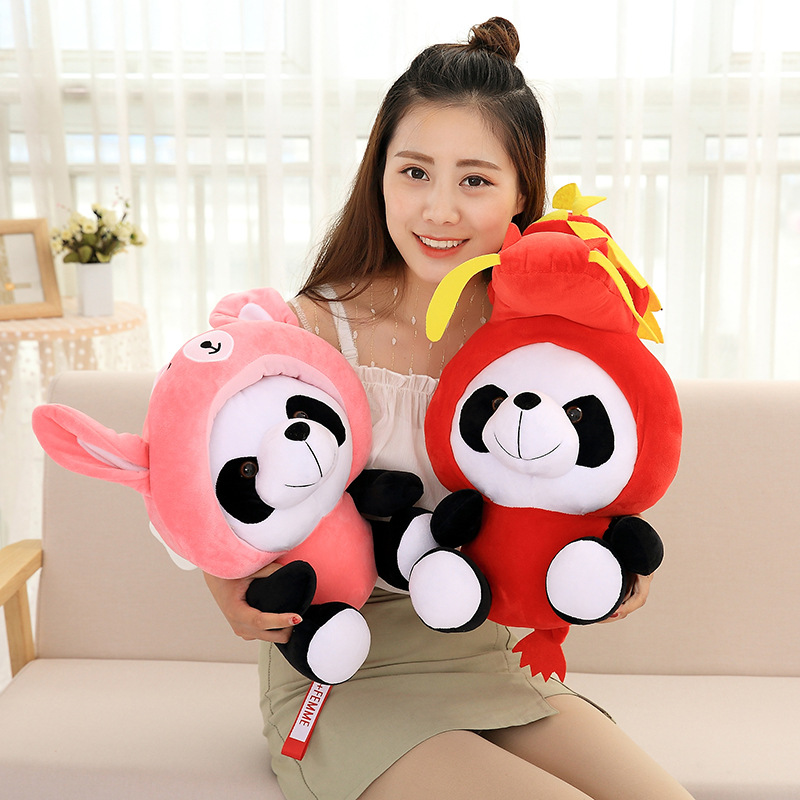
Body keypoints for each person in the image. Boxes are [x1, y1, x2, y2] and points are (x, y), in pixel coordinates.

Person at [204, 17, 695, 800]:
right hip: (340, 661)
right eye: (414, 172)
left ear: (522, 192)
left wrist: (614, 563)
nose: (438, 210)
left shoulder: (536, 343)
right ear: (379, 175)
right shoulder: (309, 329)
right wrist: (222, 585)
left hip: (483, 649)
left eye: (474, 180)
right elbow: (198, 460)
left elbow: (589, 479)